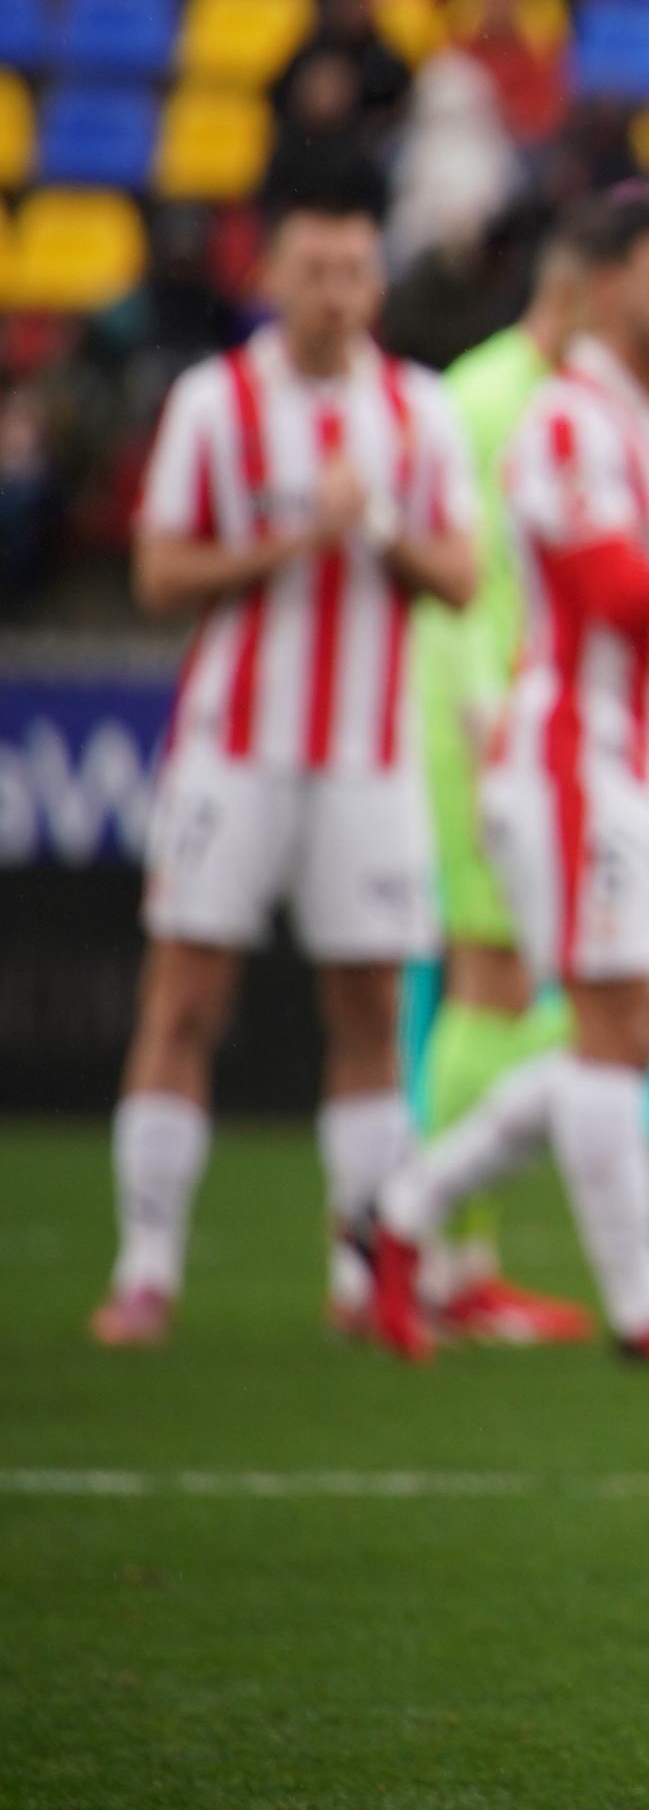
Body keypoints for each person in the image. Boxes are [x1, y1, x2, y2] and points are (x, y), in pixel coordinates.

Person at [354, 185, 649, 1379]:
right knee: (608, 1030)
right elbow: (616, 590)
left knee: (631, 1031)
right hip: (567, 764)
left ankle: (401, 1209)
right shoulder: (559, 423)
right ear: (602, 288)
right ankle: (646, 1307)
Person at [91, 158, 477, 1350]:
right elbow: (158, 575)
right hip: (233, 749)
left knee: (367, 1005)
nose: (336, 293)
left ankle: (362, 1275)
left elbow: (461, 577)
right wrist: (289, 539)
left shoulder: (418, 410)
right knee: (187, 994)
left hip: (369, 756)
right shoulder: (217, 402)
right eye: (314, 270)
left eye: (356, 271)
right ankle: (147, 1266)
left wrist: (370, 524)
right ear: (273, 273)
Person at [397, 218, 598, 1347]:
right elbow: (464, 578)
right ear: (577, 296)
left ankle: (447, 1244)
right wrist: (480, 723)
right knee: (492, 975)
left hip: (517, 717)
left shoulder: (534, 397)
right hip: (478, 717)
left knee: (510, 980)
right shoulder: (487, 399)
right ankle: (443, 1250)